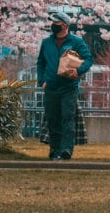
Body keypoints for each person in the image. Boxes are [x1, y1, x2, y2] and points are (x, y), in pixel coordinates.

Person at [36, 11, 93, 161]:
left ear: (65, 25)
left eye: (56, 23)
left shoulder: (77, 42)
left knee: (68, 118)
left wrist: (79, 70)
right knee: (53, 119)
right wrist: (42, 81)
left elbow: (88, 59)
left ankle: (66, 149)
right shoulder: (46, 43)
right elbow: (40, 63)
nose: (53, 26)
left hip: (69, 87)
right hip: (50, 87)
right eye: (52, 23)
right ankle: (55, 150)